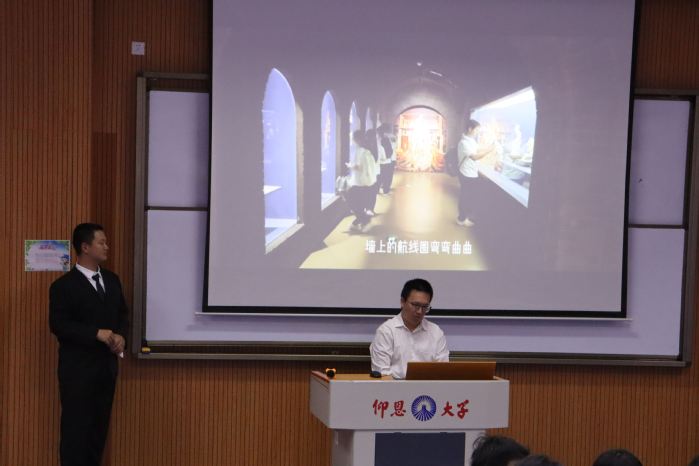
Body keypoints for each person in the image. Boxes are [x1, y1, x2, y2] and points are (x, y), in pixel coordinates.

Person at [49, 223, 129, 466]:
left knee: (98, 432)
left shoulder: (112, 280)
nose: (107, 247)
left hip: (106, 369)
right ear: (85, 247)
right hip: (77, 372)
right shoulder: (63, 286)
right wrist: (95, 333)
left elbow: (123, 315)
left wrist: (121, 337)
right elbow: (59, 325)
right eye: (101, 242)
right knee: (76, 433)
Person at [370, 278, 449, 379]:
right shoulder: (386, 331)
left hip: (428, 387)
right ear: (402, 302)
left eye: (425, 306)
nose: (420, 311)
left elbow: (443, 372)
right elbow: (382, 374)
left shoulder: (436, 332)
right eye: (416, 305)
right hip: (394, 387)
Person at [456, 119, 492, 227]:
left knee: (469, 196)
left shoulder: (471, 140)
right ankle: (461, 219)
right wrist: (489, 151)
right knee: (465, 197)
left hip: (471, 173)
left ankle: (465, 217)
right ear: (470, 129)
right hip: (466, 173)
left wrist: (489, 146)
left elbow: (478, 148)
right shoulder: (463, 143)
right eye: (476, 130)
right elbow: (474, 157)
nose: (477, 132)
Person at [346, 130, 378, 232]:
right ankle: (358, 223)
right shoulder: (368, 149)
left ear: (356, 139)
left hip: (359, 182)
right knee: (359, 204)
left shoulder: (360, 151)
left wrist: (349, 166)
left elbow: (358, 167)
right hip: (366, 182)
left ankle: (364, 221)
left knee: (352, 203)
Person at [378, 123, 397, 194]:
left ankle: (385, 187)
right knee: (388, 175)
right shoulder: (390, 137)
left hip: (388, 159)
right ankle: (386, 188)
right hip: (389, 159)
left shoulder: (385, 137)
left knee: (384, 174)